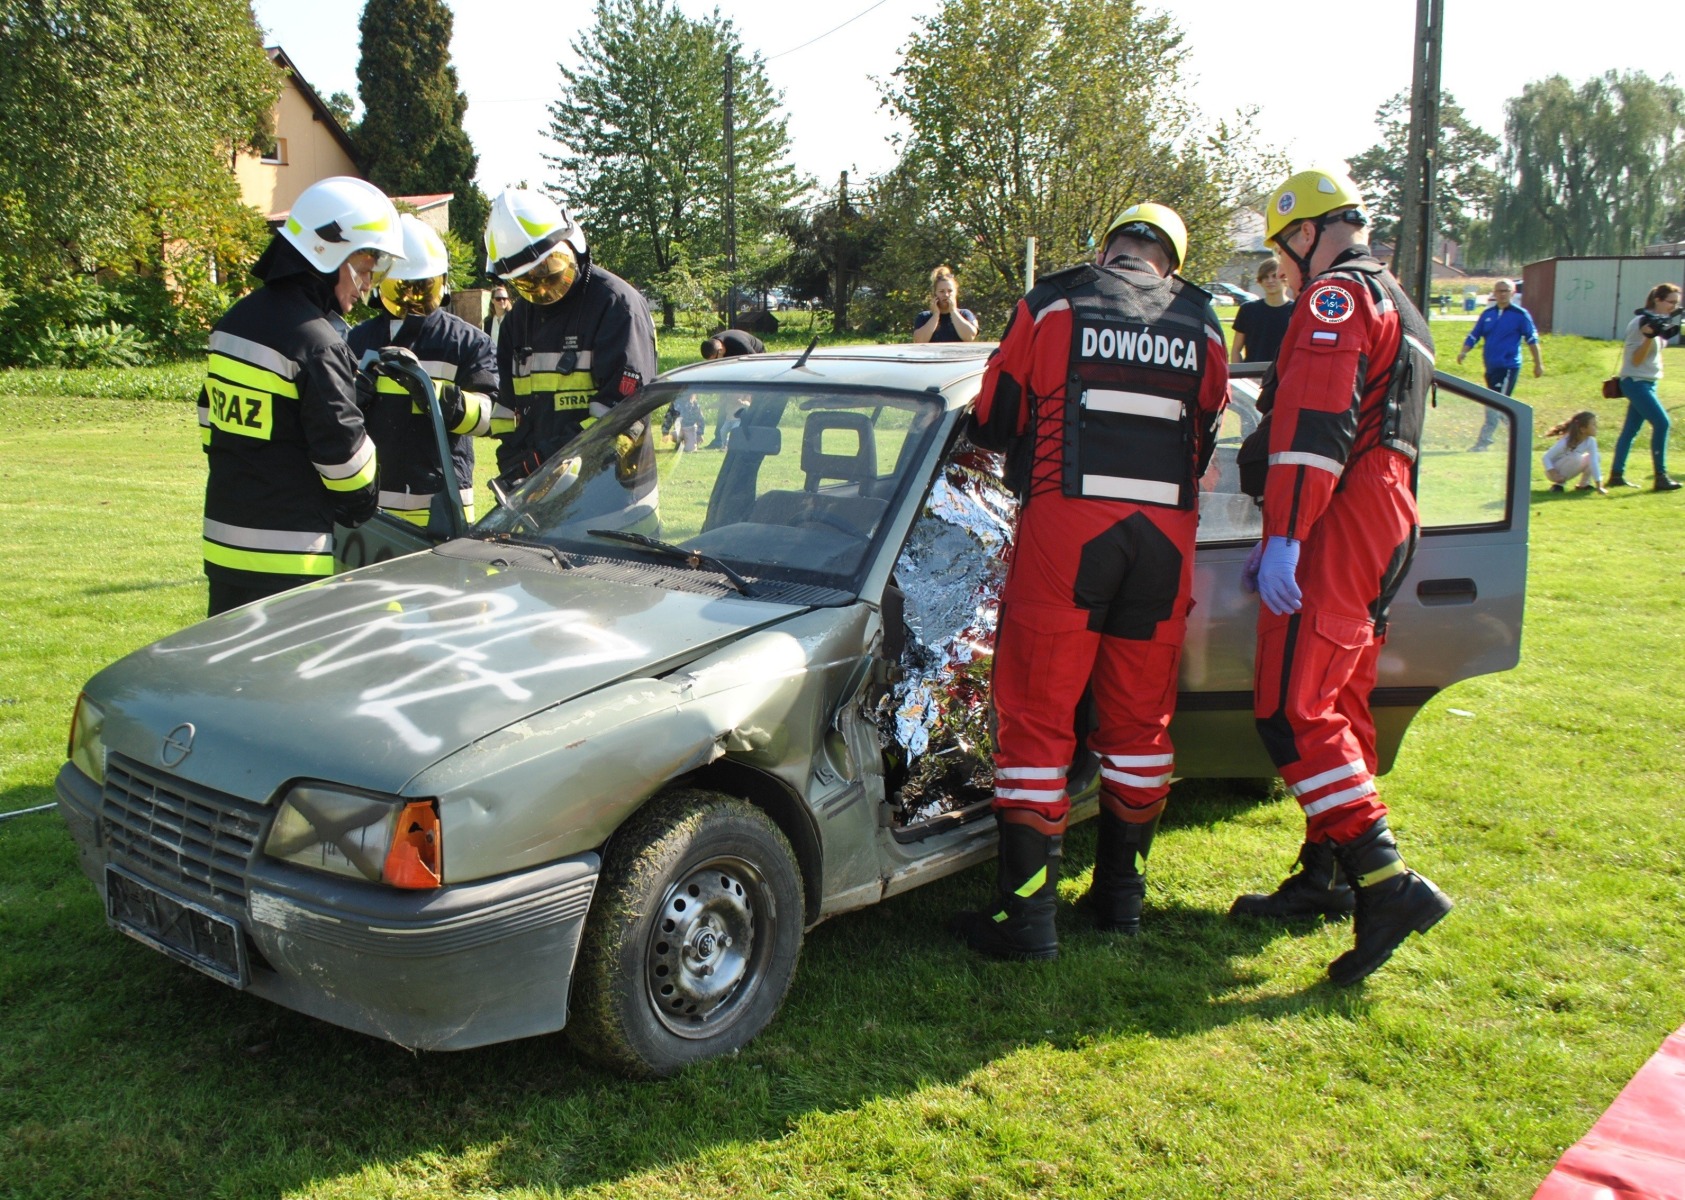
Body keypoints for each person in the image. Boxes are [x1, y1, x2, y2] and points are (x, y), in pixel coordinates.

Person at [951, 202, 1229, 960]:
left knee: (1038, 722)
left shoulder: (1054, 300)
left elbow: (994, 410)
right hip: (1165, 541)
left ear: (1108, 247)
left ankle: (1026, 920)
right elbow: (1206, 433)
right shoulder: (1205, 323)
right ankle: (1120, 902)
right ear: (1170, 257)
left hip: (1068, 533)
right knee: (1138, 726)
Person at [1229, 167, 1452, 988]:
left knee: (1293, 708)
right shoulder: (1396, 298)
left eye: (1283, 249)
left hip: (1341, 509)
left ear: (1305, 232)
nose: (1282, 269)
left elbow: (1313, 428)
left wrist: (1285, 530)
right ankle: (1324, 875)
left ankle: (1384, 882)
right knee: (1344, 695)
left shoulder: (1334, 302)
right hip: (1388, 508)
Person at [198, 176, 403, 617]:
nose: (366, 285)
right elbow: (346, 469)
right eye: (365, 267)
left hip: (224, 547)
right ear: (329, 254)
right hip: (291, 559)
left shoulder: (233, 323)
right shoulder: (319, 343)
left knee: (232, 678)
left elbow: (210, 421)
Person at [484, 188, 658, 486]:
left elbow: (622, 415)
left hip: (612, 492)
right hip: (537, 497)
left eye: (549, 269)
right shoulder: (516, 322)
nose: (541, 288)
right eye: (526, 282)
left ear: (571, 244)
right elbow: (506, 411)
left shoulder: (616, 306)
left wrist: (543, 462)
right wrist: (513, 463)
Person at [348, 215, 510, 527]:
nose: (411, 299)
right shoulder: (357, 339)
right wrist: (349, 398)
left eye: (423, 288)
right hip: (372, 508)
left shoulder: (466, 342)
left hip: (442, 507)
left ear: (441, 283)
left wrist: (441, 399)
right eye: (402, 290)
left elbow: (494, 416)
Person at [1607, 283, 1682, 491]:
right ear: (1657, 300)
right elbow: (1636, 360)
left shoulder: (1658, 321)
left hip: (1647, 382)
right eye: (1671, 302)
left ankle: (1616, 475)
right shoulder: (1640, 322)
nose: (1673, 307)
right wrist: (1649, 337)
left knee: (1630, 430)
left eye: (1677, 303)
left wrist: (1658, 331)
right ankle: (1660, 476)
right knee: (1662, 423)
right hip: (1635, 382)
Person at [1459, 279, 1542, 451]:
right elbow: (1475, 335)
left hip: (1508, 366)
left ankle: (1484, 441)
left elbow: (1532, 340)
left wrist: (1538, 363)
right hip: (1491, 367)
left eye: (1506, 291)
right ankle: (1519, 437)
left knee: (1494, 404)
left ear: (1513, 293)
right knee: (1501, 407)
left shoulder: (1520, 315)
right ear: (1494, 294)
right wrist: (1464, 351)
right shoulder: (1487, 315)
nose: (1502, 294)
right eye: (1499, 291)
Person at [1230, 258, 1294, 364]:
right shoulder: (1248, 310)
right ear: (1260, 281)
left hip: (1284, 375)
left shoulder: (1295, 310)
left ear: (1285, 278)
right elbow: (1236, 349)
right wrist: (1239, 376)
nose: (1269, 281)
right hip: (1252, 374)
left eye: (1274, 276)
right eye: (1265, 277)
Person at [1541, 411, 1605, 493]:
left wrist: (1599, 486)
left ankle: (1583, 484)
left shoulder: (1591, 441)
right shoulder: (1565, 441)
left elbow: (1594, 463)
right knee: (1575, 457)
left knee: (1596, 456)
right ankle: (1558, 485)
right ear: (1583, 429)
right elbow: (1546, 457)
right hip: (1553, 471)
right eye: (1593, 424)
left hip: (1571, 464)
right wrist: (1554, 474)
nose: (1596, 427)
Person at [912, 265, 979, 343]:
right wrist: (936, 315)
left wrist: (953, 311)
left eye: (950, 291)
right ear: (935, 294)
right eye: (941, 291)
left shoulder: (965, 314)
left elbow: (970, 337)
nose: (946, 295)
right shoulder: (924, 317)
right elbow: (919, 341)